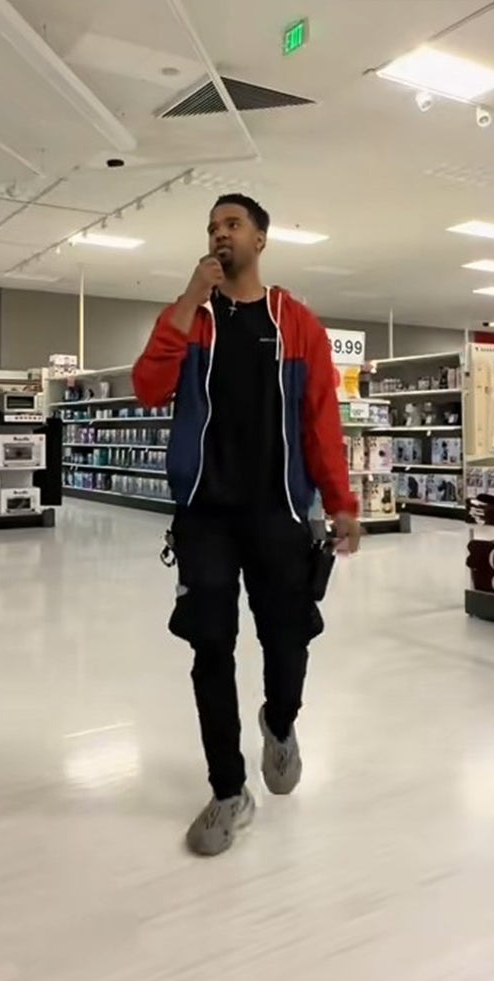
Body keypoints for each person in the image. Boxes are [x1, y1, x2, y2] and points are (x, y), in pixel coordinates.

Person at [131, 193, 359, 858]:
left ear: (260, 239)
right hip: (205, 513)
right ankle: (229, 791)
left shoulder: (299, 326)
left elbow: (321, 418)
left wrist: (340, 500)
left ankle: (279, 721)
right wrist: (186, 297)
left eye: (231, 224)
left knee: (289, 641)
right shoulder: (190, 321)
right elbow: (148, 387)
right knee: (211, 648)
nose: (219, 234)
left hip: (279, 511)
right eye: (211, 227)